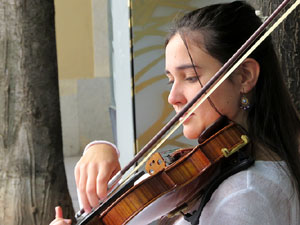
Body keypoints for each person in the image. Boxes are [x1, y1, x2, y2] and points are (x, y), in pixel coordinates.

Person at [50, 1, 300, 224]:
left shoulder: (246, 194)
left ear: (244, 76)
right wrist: (102, 150)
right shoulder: (217, 168)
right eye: (171, 80)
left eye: (190, 77)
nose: (173, 97)